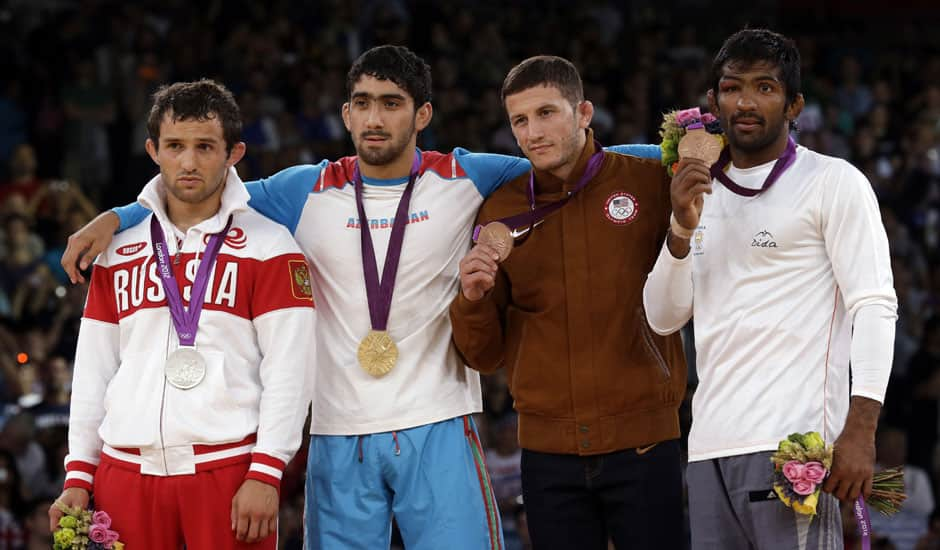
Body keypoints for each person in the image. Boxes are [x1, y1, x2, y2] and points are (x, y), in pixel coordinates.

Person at [58, 46, 658, 549]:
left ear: (422, 114)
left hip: (440, 421)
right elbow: (201, 189)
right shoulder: (302, 189)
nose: (376, 118)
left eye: (392, 104)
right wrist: (116, 216)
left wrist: (686, 152)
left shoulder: (465, 175)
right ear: (346, 113)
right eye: (364, 103)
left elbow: (586, 161)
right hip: (338, 431)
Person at [643, 28, 897, 549]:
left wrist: (861, 427)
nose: (747, 102)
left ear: (795, 104)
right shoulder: (697, 192)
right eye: (733, 88)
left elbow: (874, 304)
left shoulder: (833, 182)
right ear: (713, 102)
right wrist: (680, 230)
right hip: (708, 446)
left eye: (766, 87)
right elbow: (662, 318)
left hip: (796, 446)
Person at [48, 79, 315, 550]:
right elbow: (93, 369)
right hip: (123, 474)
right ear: (153, 150)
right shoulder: (118, 249)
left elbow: (290, 371)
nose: (188, 162)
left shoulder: (271, 246)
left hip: (229, 471)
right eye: (175, 146)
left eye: (205, 147)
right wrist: (78, 472)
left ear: (234, 153)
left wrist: (268, 469)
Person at [449, 55, 687, 549]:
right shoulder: (502, 211)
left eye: (546, 113)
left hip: (644, 442)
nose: (532, 132)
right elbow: (483, 355)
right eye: (519, 120)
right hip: (547, 454)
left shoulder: (649, 182)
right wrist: (471, 299)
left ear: (583, 113)